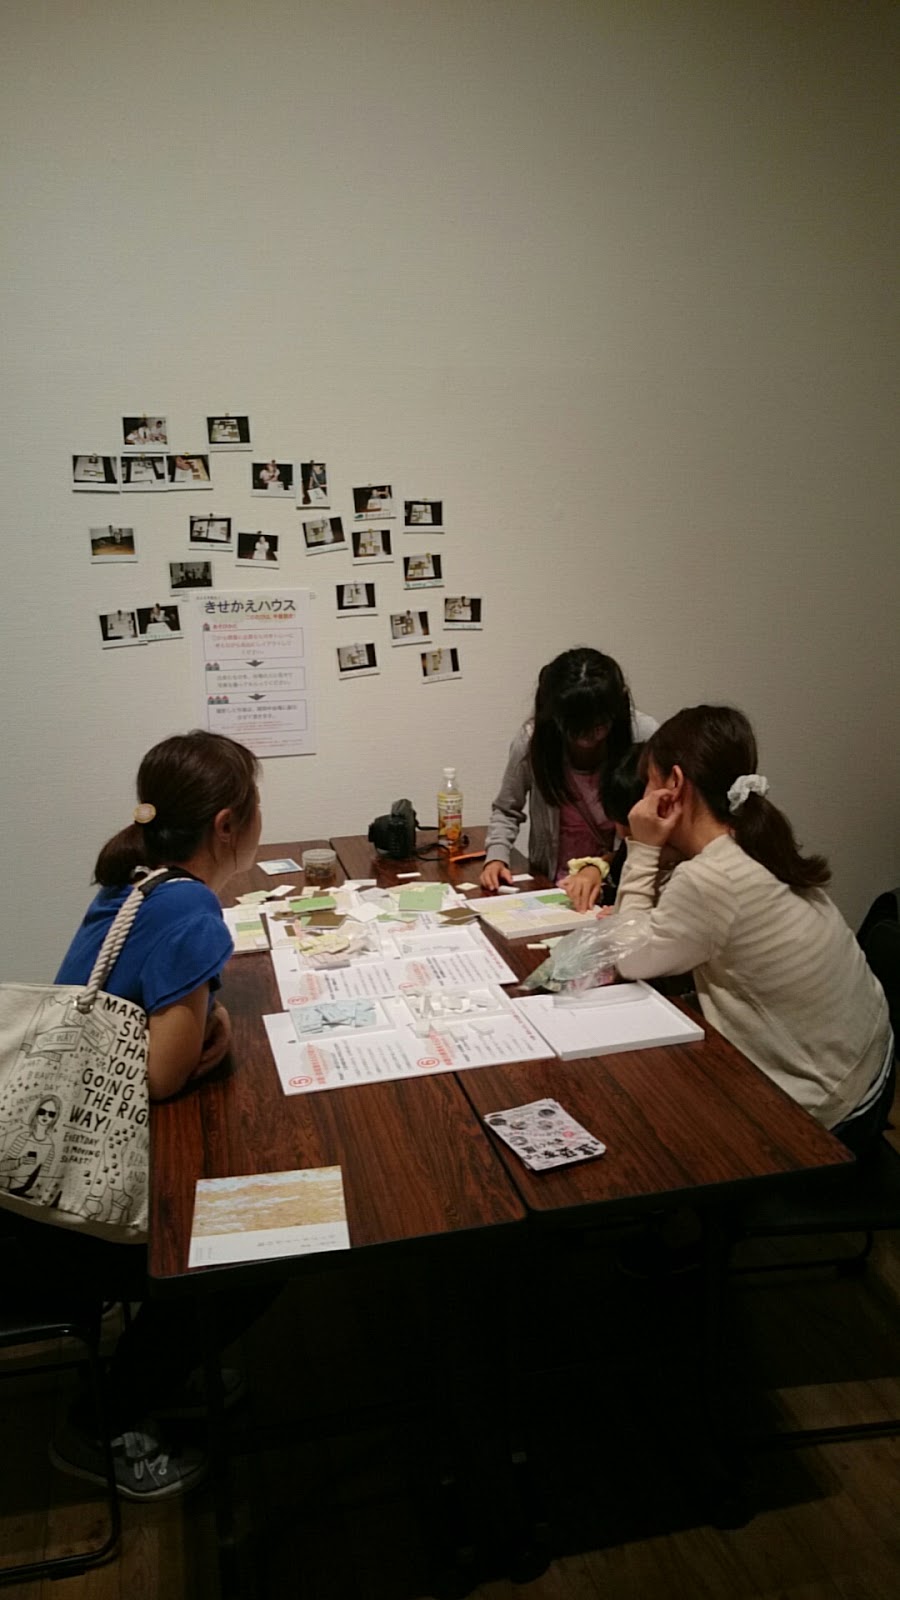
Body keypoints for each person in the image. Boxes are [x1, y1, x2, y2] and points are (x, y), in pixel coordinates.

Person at [7, 731, 271, 1501]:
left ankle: (161, 1367)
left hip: (31, 1177)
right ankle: (102, 1421)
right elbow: (161, 1074)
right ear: (227, 824)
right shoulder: (192, 910)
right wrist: (210, 1039)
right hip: (68, 1215)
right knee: (254, 1251)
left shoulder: (135, 884)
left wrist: (208, 1022)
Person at [615, 705, 894, 1151]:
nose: (641, 798)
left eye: (648, 781)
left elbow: (627, 955)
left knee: (644, 1115)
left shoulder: (709, 877)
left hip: (830, 1106)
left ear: (674, 785)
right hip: (871, 1066)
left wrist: (643, 848)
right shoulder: (752, 839)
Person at [480, 648, 657, 910]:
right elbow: (507, 809)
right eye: (574, 727)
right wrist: (496, 858)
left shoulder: (643, 736)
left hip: (620, 886)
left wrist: (600, 867)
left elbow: (653, 829)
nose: (587, 738)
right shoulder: (532, 742)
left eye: (598, 725)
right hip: (553, 885)